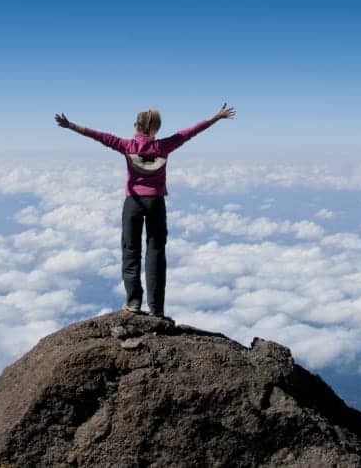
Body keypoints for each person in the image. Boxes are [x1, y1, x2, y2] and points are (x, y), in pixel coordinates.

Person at [54, 103, 236, 317]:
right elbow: (191, 132)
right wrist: (217, 116)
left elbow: (98, 136)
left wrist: (70, 125)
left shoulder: (126, 145)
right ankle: (156, 309)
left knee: (130, 251)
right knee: (156, 253)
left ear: (137, 126)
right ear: (155, 129)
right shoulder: (164, 146)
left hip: (133, 203)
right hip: (156, 203)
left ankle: (133, 303)